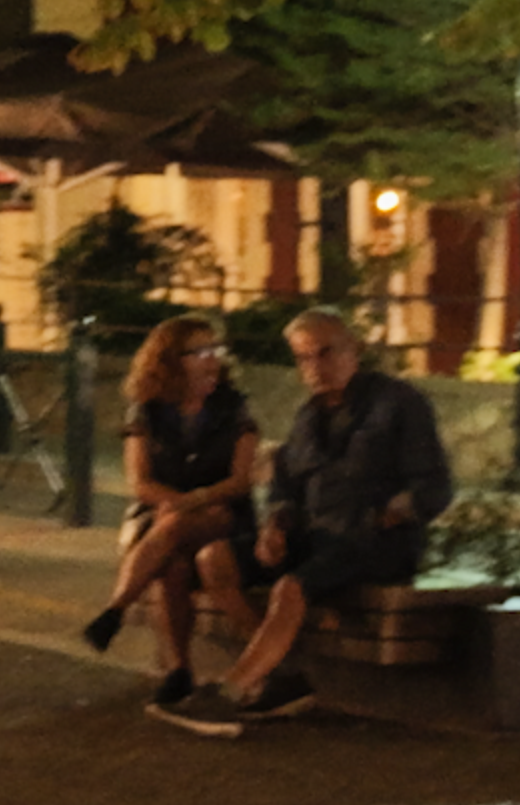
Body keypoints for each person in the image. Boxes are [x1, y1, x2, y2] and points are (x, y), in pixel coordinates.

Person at [155, 310, 450, 737]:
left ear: (355, 350)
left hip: (375, 540)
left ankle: (232, 692)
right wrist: (275, 524)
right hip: (317, 536)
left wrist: (389, 513)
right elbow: (286, 486)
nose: (316, 367)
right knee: (215, 559)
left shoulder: (399, 404)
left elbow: (434, 486)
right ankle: (278, 674)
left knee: (291, 586)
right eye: (304, 359)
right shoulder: (307, 417)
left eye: (326, 353)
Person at [84, 318, 265, 710]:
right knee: (175, 563)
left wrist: (195, 499)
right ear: (171, 360)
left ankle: (115, 610)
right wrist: (177, 502)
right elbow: (140, 482)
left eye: (215, 351)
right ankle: (180, 671)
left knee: (177, 525)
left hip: (223, 513)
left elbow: (240, 481)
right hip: (165, 512)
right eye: (199, 352)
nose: (211, 360)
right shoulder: (147, 410)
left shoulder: (234, 406)